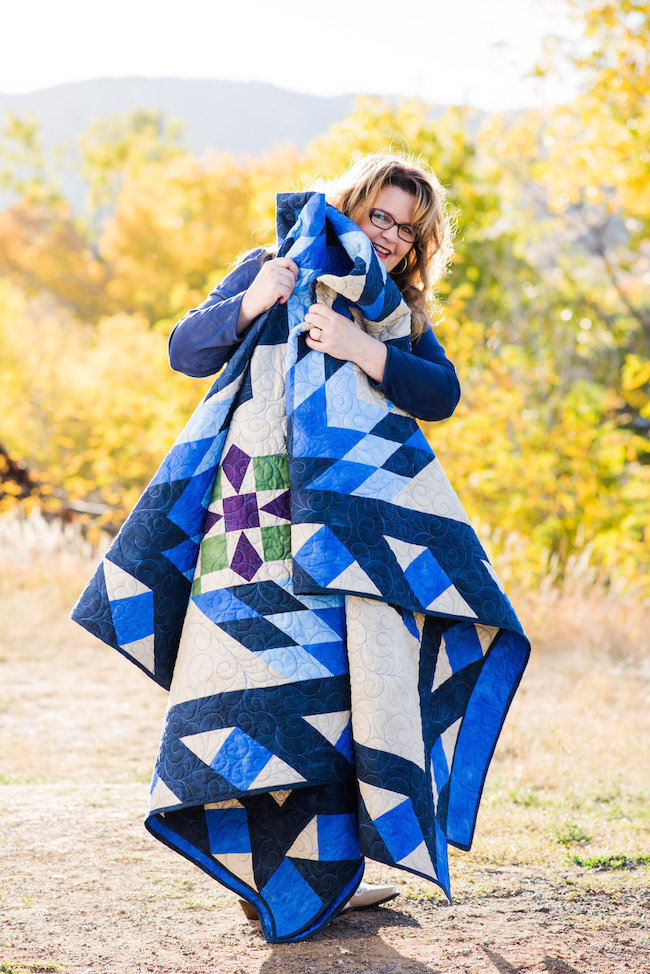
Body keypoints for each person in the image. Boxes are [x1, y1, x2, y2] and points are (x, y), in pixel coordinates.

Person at [167, 150, 460, 916]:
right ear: (351, 204)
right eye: (381, 216)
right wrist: (254, 299)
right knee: (254, 683)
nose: (392, 237)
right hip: (257, 521)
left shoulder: (389, 307)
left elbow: (442, 392)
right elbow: (186, 350)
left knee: (336, 691)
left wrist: (364, 348)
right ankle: (259, 868)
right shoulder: (275, 263)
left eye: (410, 229)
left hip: (349, 537)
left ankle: (326, 873)